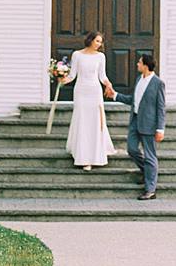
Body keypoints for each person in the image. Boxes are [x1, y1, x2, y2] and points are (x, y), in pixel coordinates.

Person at [106, 54, 165, 200]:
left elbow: (161, 107)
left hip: (149, 124)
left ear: (145, 65)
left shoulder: (158, 83)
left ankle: (150, 190)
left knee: (150, 155)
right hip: (135, 121)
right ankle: (147, 172)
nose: (137, 64)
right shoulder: (139, 79)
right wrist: (115, 95)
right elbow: (133, 100)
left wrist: (160, 129)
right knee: (131, 149)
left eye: (139, 62)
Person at [61, 30, 116, 170]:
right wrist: (63, 79)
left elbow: (102, 76)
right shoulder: (77, 55)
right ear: (91, 40)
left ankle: (95, 155)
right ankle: (83, 157)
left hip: (94, 91)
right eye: (97, 41)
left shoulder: (100, 57)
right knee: (82, 120)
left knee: (95, 121)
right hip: (81, 91)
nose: (99, 44)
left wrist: (108, 85)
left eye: (100, 42)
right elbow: (73, 75)